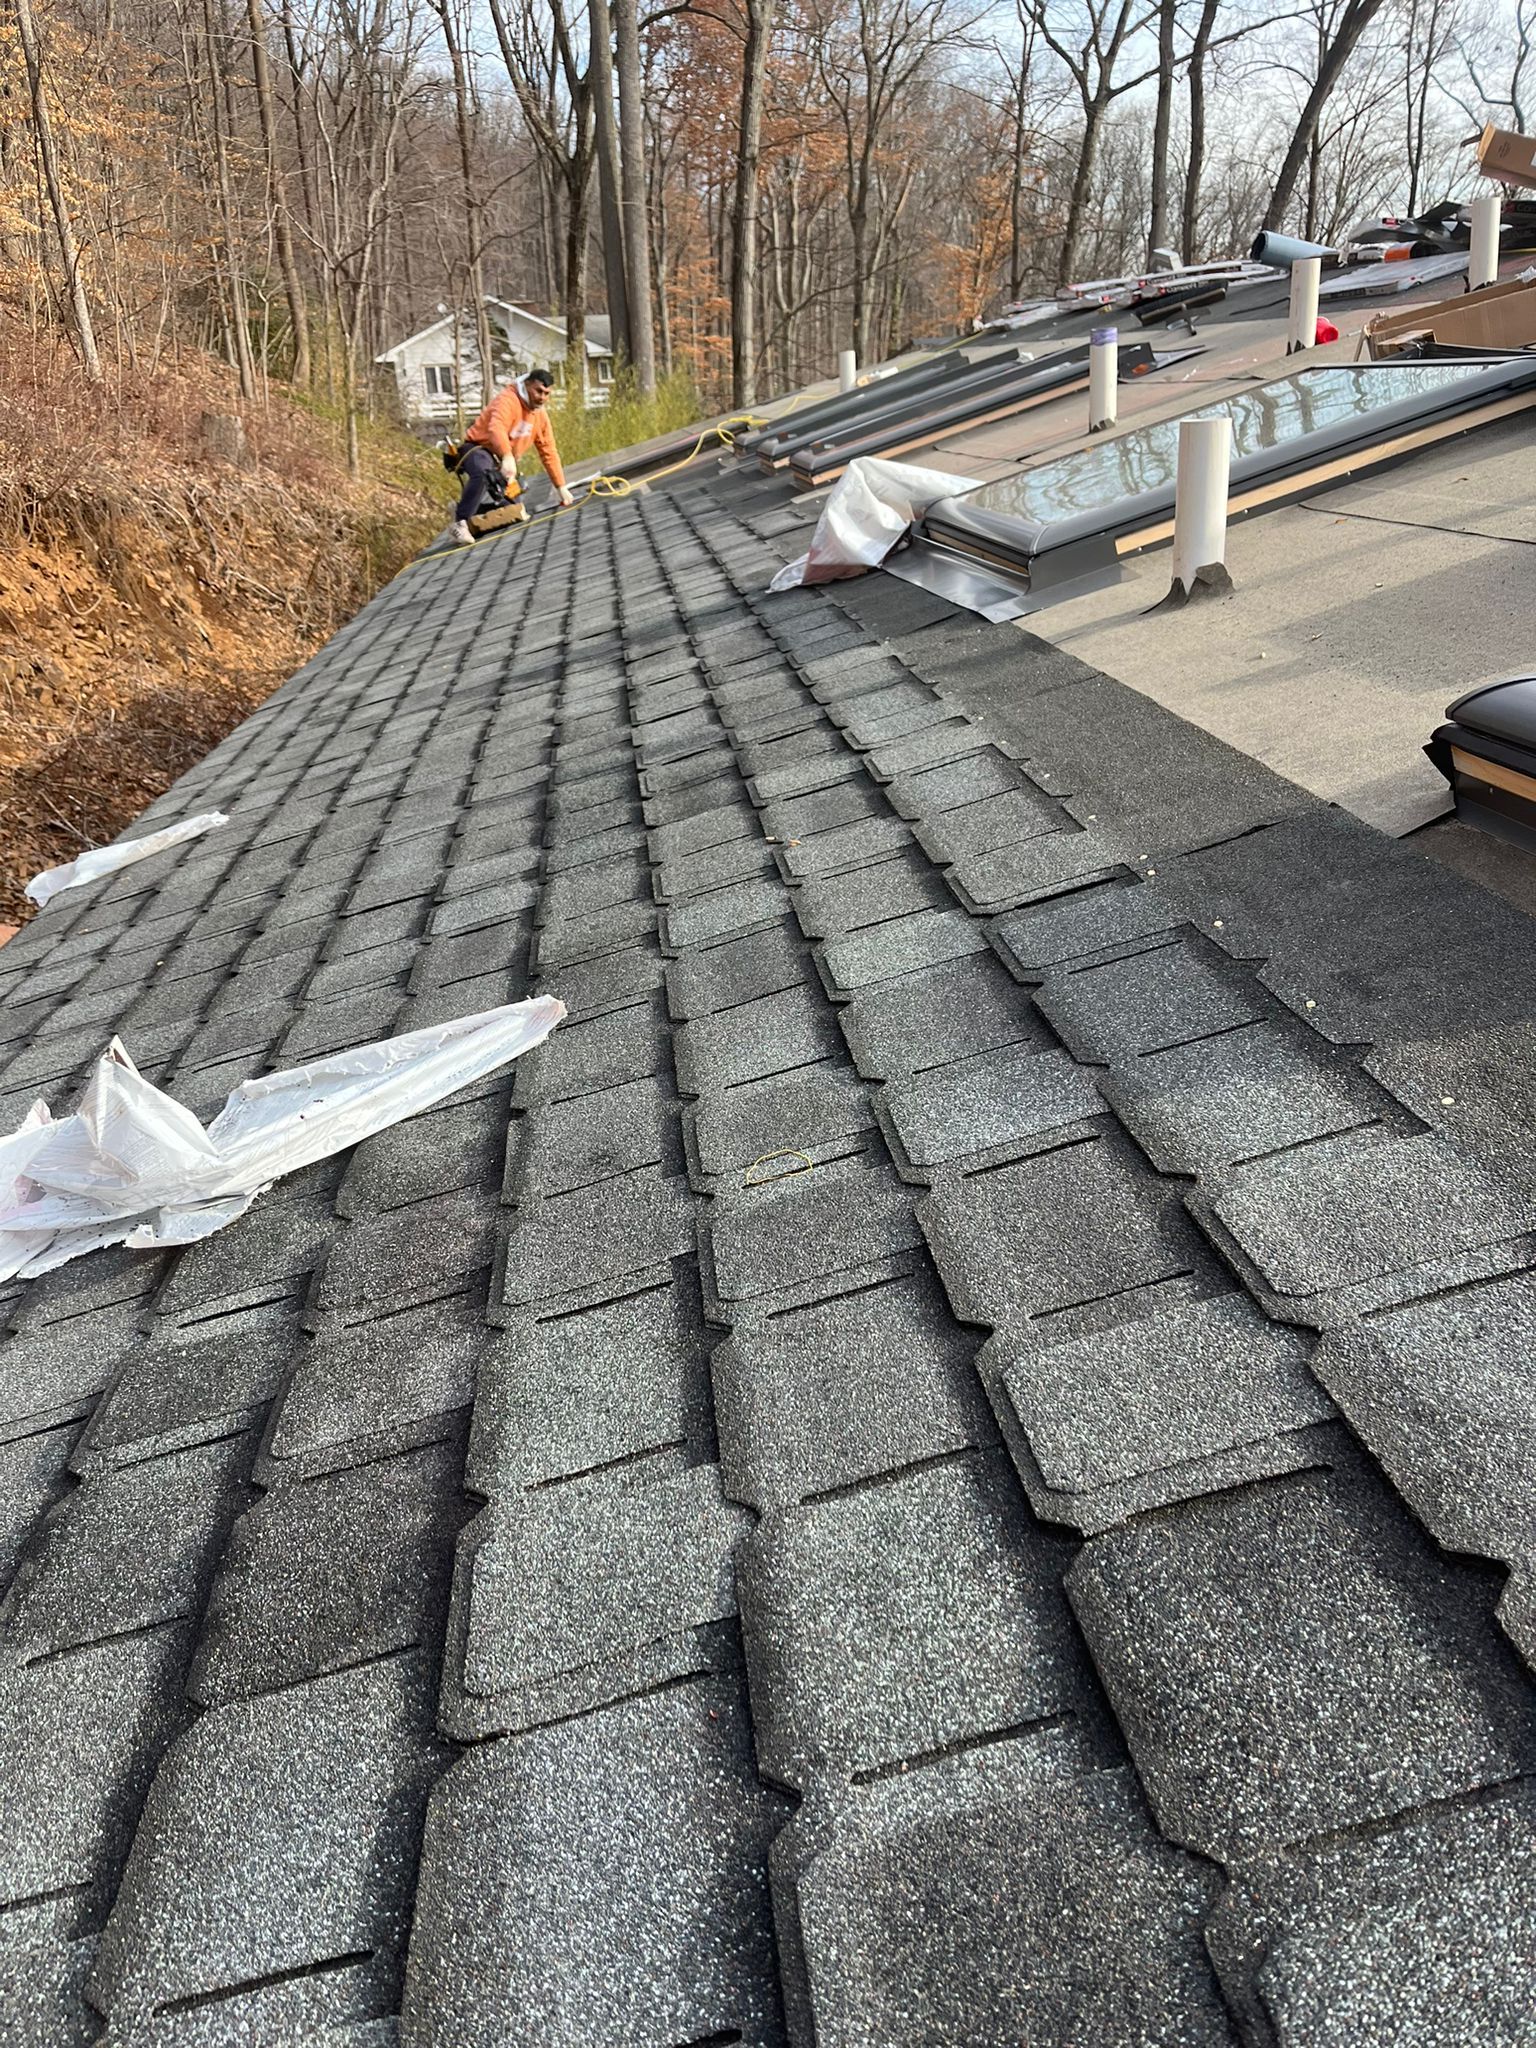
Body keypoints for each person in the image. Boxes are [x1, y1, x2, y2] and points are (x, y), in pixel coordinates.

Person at [451, 367, 576, 546]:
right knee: (483, 474)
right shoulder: (508, 400)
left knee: (514, 511)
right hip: (478, 448)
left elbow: (548, 450)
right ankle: (460, 523)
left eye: (546, 393)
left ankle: (466, 509)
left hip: (502, 459)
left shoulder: (540, 416)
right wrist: (507, 456)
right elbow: (496, 428)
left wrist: (561, 486)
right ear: (526, 385)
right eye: (538, 391)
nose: (542, 397)